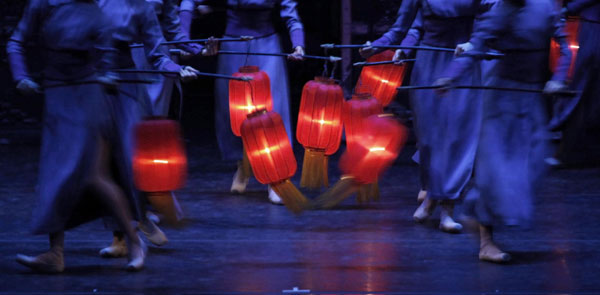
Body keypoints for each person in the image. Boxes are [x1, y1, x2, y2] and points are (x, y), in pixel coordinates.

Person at [7, 0, 145, 272]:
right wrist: (21, 76)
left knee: (96, 176)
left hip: (89, 98)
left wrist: (107, 75)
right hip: (59, 96)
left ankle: (134, 241)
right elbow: (16, 41)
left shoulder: (95, 13)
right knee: (54, 175)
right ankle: (55, 253)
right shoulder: (42, 4)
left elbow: (107, 56)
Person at [436, 0, 572, 262]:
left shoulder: (545, 8)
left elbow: (565, 48)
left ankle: (474, 213)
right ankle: (486, 243)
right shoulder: (499, 12)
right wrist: (451, 76)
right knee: (496, 173)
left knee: (532, 167)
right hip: (501, 98)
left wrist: (558, 79)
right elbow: (477, 47)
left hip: (530, 98)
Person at [360, 0, 495, 233]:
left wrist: (474, 44)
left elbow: (493, 18)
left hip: (462, 62)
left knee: (456, 138)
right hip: (429, 63)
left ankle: (447, 209)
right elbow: (405, 28)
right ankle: (433, 195)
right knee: (430, 140)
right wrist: (378, 46)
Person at [95, 0, 199, 260]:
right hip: (92, 86)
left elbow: (157, 54)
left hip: (126, 86)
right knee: (101, 166)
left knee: (129, 158)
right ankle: (119, 237)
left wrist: (179, 68)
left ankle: (140, 218)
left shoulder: (140, 6)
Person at [179, 0, 305, 204]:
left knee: (272, 110)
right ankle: (243, 164)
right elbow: (189, 3)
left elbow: (291, 14)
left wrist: (298, 45)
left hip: (267, 45)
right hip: (233, 45)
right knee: (235, 109)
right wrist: (183, 40)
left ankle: (275, 175)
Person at [549, 0, 600, 167]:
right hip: (591, 21)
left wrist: (568, 9)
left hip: (593, 24)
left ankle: (568, 149)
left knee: (582, 82)